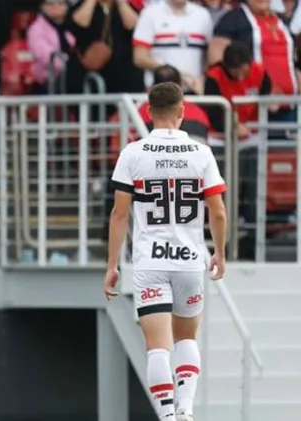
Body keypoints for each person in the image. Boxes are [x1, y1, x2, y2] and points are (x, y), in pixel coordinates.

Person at [103, 82, 228, 421]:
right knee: (187, 339)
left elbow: (119, 214)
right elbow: (217, 211)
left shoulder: (133, 153)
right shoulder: (201, 153)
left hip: (150, 261)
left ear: (148, 112)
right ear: (182, 111)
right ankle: (186, 408)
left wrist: (112, 264)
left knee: (157, 346)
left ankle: (168, 415)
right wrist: (219, 251)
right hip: (189, 260)